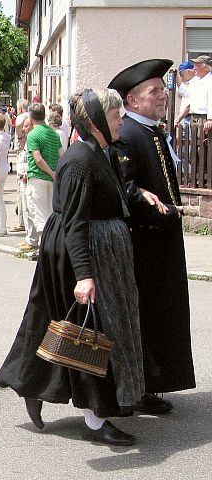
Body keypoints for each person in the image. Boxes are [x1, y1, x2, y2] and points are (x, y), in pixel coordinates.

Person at [0, 88, 168, 446]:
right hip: (81, 253)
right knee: (94, 335)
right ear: (94, 121)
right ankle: (95, 419)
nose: (121, 118)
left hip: (101, 252)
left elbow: (116, 194)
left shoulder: (102, 153)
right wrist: (85, 275)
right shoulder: (78, 160)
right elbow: (75, 222)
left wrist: (140, 197)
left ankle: (35, 386)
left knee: (60, 327)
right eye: (116, 113)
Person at [109, 58, 196, 413]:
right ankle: (143, 388)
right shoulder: (129, 134)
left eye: (163, 89)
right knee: (147, 315)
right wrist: (154, 207)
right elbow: (125, 188)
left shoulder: (152, 131)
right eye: (155, 91)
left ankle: (157, 382)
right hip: (146, 242)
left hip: (163, 239)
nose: (163, 96)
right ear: (132, 101)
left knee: (165, 314)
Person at [20, 103, 63, 254]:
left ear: (31, 118)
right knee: (50, 213)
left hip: (38, 178)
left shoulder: (33, 134)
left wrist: (51, 173)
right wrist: (56, 174)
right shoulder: (53, 133)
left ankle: (45, 250)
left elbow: (37, 159)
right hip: (52, 180)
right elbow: (61, 155)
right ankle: (52, 247)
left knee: (39, 215)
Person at [173, 55, 212, 132]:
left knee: (205, 142)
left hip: (205, 119)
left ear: (205, 67)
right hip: (194, 118)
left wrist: (210, 119)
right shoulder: (195, 81)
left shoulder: (210, 81)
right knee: (194, 142)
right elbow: (189, 101)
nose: (194, 68)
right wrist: (179, 118)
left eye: (196, 66)